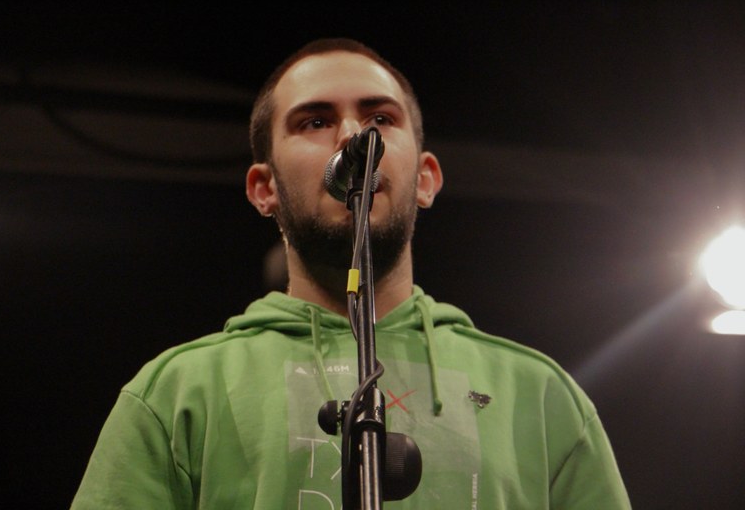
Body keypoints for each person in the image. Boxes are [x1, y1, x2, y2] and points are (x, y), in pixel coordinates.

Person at [71, 38, 631, 509]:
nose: (352, 137)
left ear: (426, 179)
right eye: (315, 121)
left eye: (379, 119)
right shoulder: (177, 394)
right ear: (264, 189)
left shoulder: (541, 397)